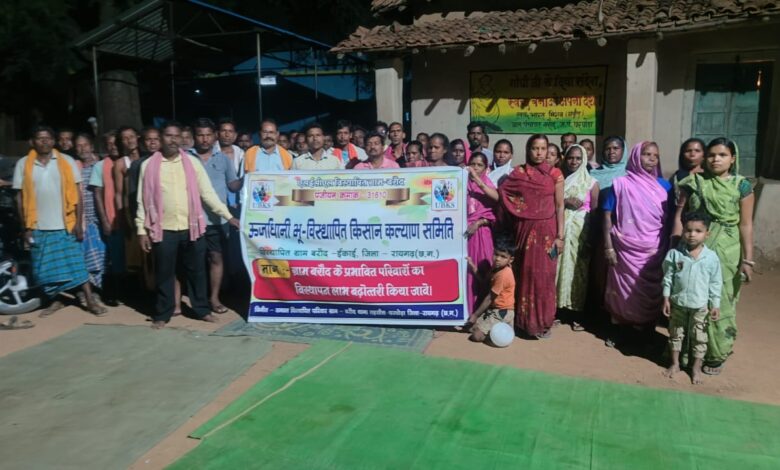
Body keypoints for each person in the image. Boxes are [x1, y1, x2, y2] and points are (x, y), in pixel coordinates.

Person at [136, 122, 240, 329]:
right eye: (169, 135)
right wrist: (141, 230)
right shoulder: (148, 166)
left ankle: (201, 310)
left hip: (192, 227)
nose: (173, 140)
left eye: (177, 136)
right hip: (163, 228)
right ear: (162, 138)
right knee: (165, 273)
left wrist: (229, 217)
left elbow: (207, 193)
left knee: (197, 272)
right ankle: (162, 313)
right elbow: (142, 200)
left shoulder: (192, 163)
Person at [673, 138, 754, 376]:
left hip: (727, 251)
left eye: (722, 155)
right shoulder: (694, 182)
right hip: (693, 247)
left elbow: (746, 224)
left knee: (720, 298)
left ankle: (716, 353)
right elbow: (680, 216)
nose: (716, 159)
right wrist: (674, 247)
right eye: (711, 155)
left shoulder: (742, 186)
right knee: (690, 296)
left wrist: (748, 259)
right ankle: (688, 350)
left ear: (733, 158)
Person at [13, 126, 104, 316]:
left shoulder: (66, 161)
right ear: (32, 142)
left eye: (48, 138)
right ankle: (57, 300)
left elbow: (78, 194)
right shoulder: (23, 164)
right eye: (40, 138)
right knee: (45, 269)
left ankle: (90, 301)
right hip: (37, 225)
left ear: (54, 141)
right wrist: (25, 227)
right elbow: (19, 198)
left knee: (77, 265)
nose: (44, 141)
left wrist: (78, 223)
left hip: (66, 224)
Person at [603, 141, 671, 347]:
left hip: (653, 250)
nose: (652, 159)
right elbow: (607, 217)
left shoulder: (665, 186)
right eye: (646, 154)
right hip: (624, 249)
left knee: (650, 290)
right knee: (622, 291)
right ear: (635, 156)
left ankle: (646, 332)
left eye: (655, 155)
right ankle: (619, 331)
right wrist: (608, 247)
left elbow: (669, 220)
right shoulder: (620, 184)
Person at [500, 134, 564, 339]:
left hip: (548, 233)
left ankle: (543, 323)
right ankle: (523, 323)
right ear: (528, 150)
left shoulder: (555, 174)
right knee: (525, 273)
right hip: (524, 230)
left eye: (543, 149)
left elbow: (560, 206)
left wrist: (560, 236)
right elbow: (504, 193)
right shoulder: (518, 173)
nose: (539, 152)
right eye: (535, 148)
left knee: (544, 277)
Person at [663, 212, 722, 384]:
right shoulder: (675, 254)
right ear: (683, 231)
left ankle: (696, 368)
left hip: (700, 306)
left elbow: (715, 283)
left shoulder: (711, 258)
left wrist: (715, 304)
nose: (692, 235)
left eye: (698, 231)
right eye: (688, 230)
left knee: (699, 336)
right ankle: (675, 363)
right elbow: (668, 277)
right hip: (678, 303)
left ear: (707, 234)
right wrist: (666, 298)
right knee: (676, 333)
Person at [192, 118, 241, 314]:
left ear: (214, 137)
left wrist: (250, 178)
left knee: (216, 258)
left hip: (218, 219)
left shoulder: (223, 159)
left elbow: (233, 185)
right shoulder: (186, 158)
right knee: (195, 261)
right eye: (200, 135)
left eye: (208, 135)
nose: (204, 139)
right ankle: (198, 299)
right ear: (194, 137)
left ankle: (214, 298)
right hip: (193, 219)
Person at [556, 144, 599, 330]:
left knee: (578, 272)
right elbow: (552, 203)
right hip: (561, 232)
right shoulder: (560, 180)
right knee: (558, 270)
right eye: (570, 158)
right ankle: (558, 311)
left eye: (578, 158)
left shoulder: (591, 183)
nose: (574, 161)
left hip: (581, 233)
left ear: (584, 160)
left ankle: (576, 313)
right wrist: (565, 201)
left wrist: (591, 239)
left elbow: (595, 213)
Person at [587, 136, 629, 313]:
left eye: (616, 148)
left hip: (622, 231)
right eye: (608, 148)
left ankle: (617, 311)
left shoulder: (629, 175)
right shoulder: (593, 174)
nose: (611, 152)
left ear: (623, 151)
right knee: (598, 271)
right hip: (598, 228)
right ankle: (598, 311)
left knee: (619, 272)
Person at [89, 131, 125, 306]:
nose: (113, 147)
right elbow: (97, 194)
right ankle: (116, 293)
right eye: (109, 144)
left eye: (115, 143)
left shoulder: (129, 161)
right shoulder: (100, 166)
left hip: (131, 218)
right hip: (113, 219)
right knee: (115, 258)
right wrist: (104, 221)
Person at [75, 133, 107, 301]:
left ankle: (100, 290)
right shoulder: (75, 168)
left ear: (92, 146)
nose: (82, 149)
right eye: (79, 146)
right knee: (85, 257)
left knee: (101, 257)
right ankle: (88, 290)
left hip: (99, 219)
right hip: (83, 220)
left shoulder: (101, 165)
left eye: (85, 145)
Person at [465, 152, 498, 315]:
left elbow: (495, 213)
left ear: (486, 168)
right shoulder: (460, 184)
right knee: (466, 271)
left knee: (483, 269)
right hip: (464, 234)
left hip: (482, 234)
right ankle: (467, 310)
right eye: (473, 164)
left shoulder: (488, 185)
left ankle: (482, 312)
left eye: (480, 165)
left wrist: (478, 223)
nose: (475, 168)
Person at [466, 237, 516, 343]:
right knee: (471, 328)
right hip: (493, 310)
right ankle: (499, 327)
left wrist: (475, 315)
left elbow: (489, 298)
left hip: (502, 311)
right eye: (496, 254)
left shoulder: (504, 274)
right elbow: (484, 282)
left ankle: (504, 330)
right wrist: (472, 266)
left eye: (503, 256)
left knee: (476, 336)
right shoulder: (495, 268)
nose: (498, 259)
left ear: (510, 260)